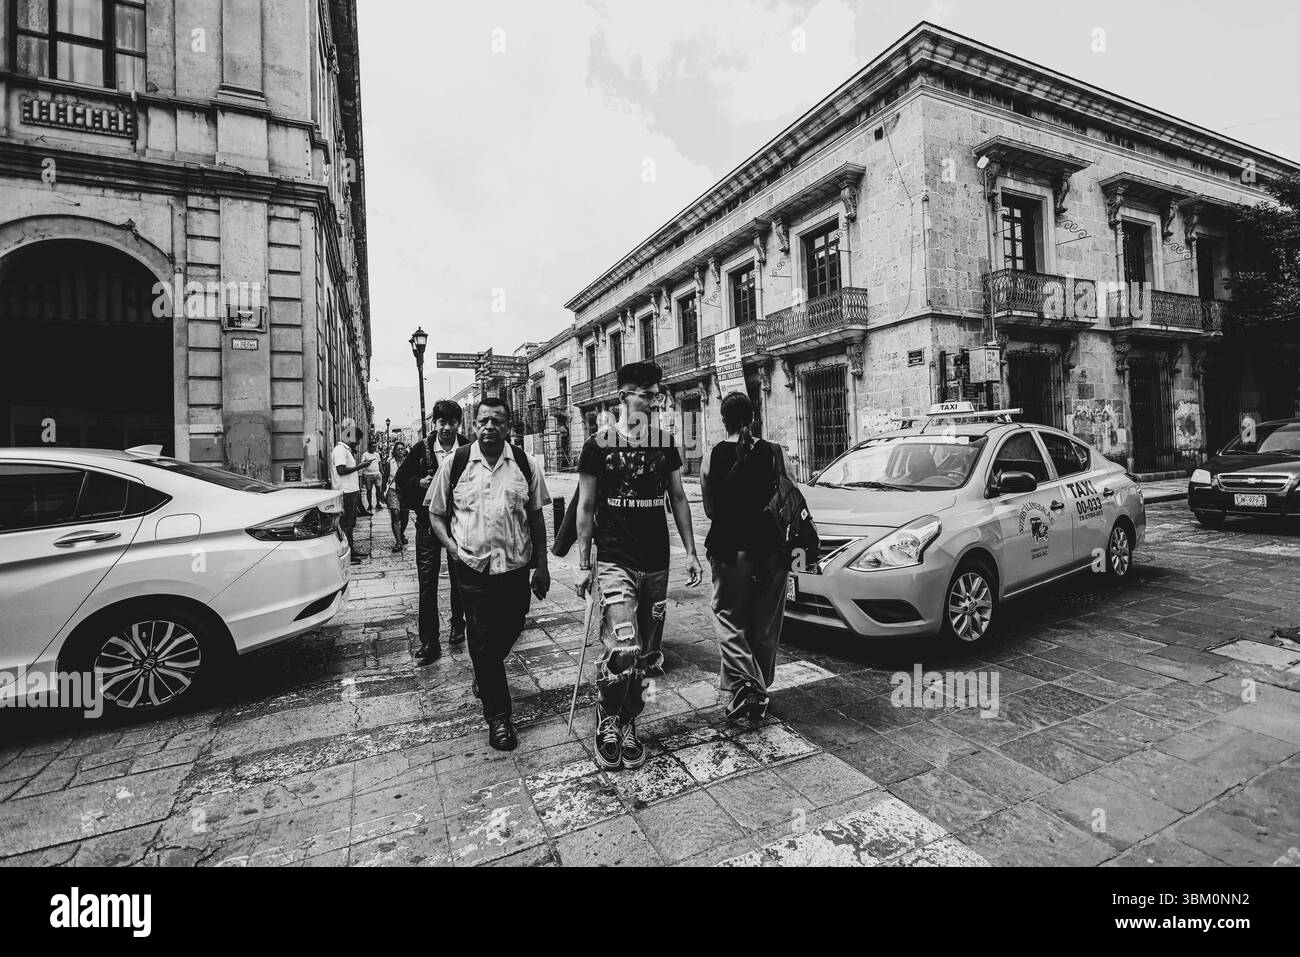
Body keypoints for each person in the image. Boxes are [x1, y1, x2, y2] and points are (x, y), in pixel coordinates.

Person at [574, 361, 701, 772]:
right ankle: (607, 717)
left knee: (647, 655)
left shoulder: (665, 444)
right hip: (615, 560)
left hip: (656, 562)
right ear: (623, 397)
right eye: (645, 395)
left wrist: (692, 552)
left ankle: (629, 721)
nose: (652, 402)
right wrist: (582, 563)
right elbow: (587, 505)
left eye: (656, 395)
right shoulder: (597, 445)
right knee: (623, 647)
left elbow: (678, 499)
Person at [428, 396, 551, 751]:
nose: (490, 427)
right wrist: (452, 548)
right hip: (473, 568)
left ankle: (486, 670)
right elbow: (436, 513)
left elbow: (537, 517)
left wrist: (541, 565)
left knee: (513, 623)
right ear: (474, 424)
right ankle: (499, 718)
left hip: (515, 568)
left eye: (497, 420)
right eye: (483, 421)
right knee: (481, 639)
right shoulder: (456, 462)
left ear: (508, 425)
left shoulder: (526, 464)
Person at [701, 392, 790, 722]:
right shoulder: (774, 452)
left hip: (729, 551)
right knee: (765, 625)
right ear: (753, 417)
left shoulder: (712, 457)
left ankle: (749, 688)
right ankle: (754, 690)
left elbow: (710, 509)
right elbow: (789, 497)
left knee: (728, 619)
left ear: (723, 421)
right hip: (772, 551)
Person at [395, 400, 470, 663]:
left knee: (460, 578)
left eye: (452, 423)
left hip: (459, 524)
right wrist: (420, 482)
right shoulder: (421, 449)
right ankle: (429, 641)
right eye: (442, 422)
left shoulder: (468, 448)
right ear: (434, 423)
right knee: (428, 581)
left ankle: (458, 625)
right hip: (428, 525)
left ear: (458, 424)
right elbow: (401, 481)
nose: (447, 428)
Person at [331, 428, 366, 564]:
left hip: (351, 492)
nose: (357, 443)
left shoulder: (345, 450)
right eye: (357, 439)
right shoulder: (340, 450)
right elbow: (341, 470)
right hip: (345, 492)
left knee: (350, 524)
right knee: (346, 525)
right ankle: (347, 554)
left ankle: (351, 550)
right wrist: (359, 467)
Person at [386, 441, 410, 552]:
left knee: (404, 517)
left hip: (405, 491)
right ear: (394, 451)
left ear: (405, 451)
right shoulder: (389, 463)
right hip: (392, 490)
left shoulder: (409, 462)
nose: (400, 451)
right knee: (395, 514)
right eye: (398, 449)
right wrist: (382, 492)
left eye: (402, 449)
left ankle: (401, 533)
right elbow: (385, 477)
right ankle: (398, 542)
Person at [359, 439, 381, 514]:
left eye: (375, 447)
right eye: (373, 447)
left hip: (377, 474)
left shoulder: (377, 454)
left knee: (378, 489)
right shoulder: (365, 455)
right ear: (369, 447)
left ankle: (378, 503)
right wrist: (367, 463)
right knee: (369, 490)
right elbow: (362, 464)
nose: (374, 448)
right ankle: (370, 504)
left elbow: (379, 463)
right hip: (368, 475)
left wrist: (381, 472)